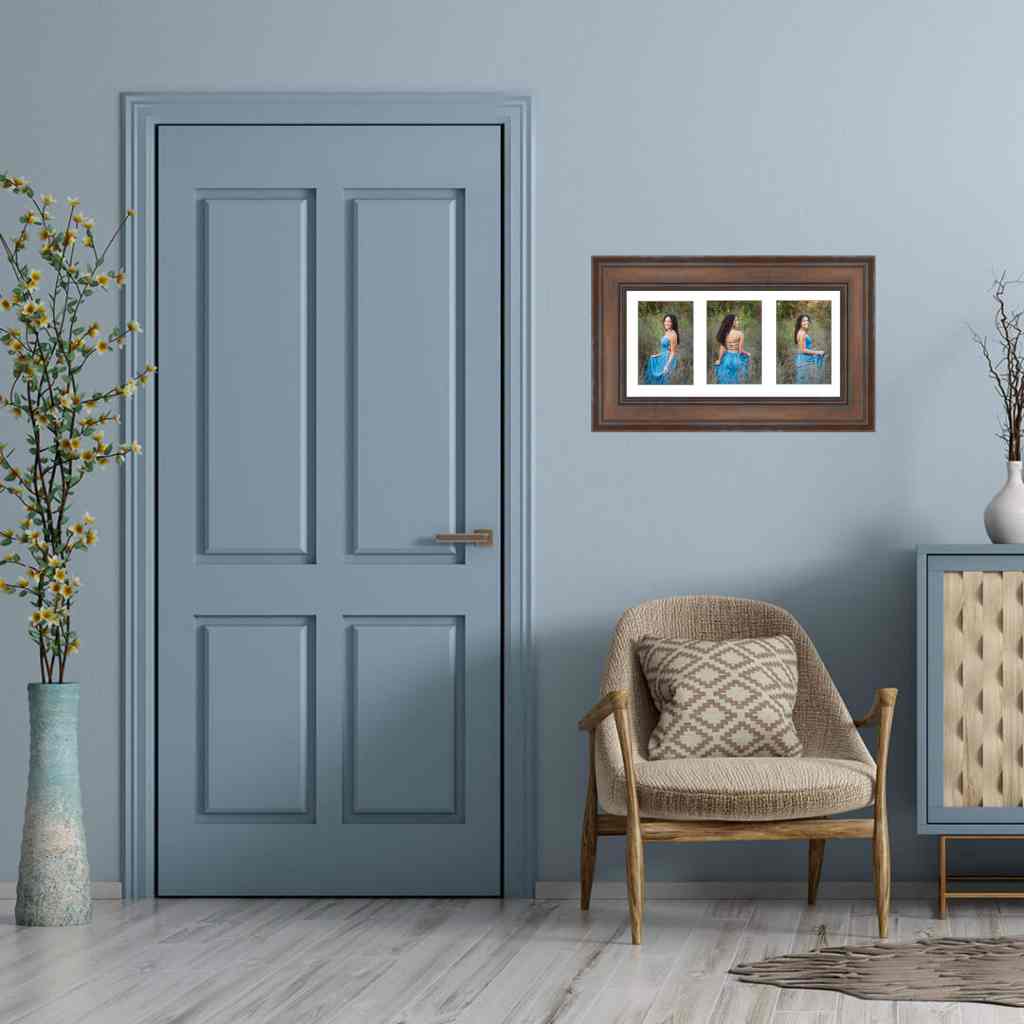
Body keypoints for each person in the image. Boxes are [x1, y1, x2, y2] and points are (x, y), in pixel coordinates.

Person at [643, 313, 681, 384]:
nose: (666, 323)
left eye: (669, 321)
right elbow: (666, 350)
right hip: (663, 356)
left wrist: (667, 365)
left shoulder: (673, 334)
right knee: (652, 359)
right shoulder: (667, 332)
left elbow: (673, 352)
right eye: (665, 321)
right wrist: (657, 355)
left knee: (663, 378)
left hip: (667, 359)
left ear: (673, 323)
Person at [713, 313, 750, 384]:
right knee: (736, 378)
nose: (738, 322)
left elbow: (722, 348)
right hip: (736, 358)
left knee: (726, 378)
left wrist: (719, 360)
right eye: (736, 320)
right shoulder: (740, 334)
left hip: (727, 358)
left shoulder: (725, 333)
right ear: (732, 322)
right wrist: (747, 353)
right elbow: (740, 350)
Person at [794, 314, 825, 384]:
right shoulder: (802, 333)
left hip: (803, 360)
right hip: (804, 362)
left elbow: (803, 347)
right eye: (803, 321)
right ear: (799, 323)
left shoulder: (801, 331)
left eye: (807, 320)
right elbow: (803, 350)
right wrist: (818, 352)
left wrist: (814, 350)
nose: (806, 322)